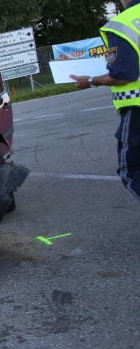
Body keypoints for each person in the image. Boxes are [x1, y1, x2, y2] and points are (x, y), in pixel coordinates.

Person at [70, 0, 140, 201]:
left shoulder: (125, 24)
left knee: (132, 170)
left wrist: (91, 81)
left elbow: (124, 74)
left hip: (136, 109)